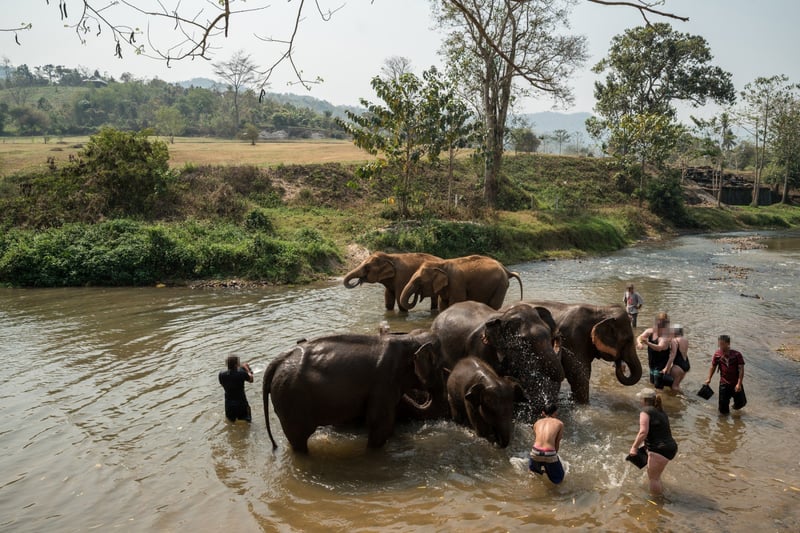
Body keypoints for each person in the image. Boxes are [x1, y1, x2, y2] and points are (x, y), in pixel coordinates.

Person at [629, 388, 678, 495]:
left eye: (640, 399)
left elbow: (643, 432)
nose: (639, 401)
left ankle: (656, 501)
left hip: (660, 449)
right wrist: (646, 446)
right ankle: (659, 491)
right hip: (670, 447)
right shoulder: (661, 411)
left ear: (644, 400)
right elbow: (659, 431)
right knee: (655, 476)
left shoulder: (645, 412)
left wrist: (634, 447)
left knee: (653, 479)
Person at [704, 334, 746, 415]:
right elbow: (713, 366)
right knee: (723, 409)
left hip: (735, 383)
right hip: (724, 384)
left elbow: (741, 369)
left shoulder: (737, 355)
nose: (720, 346)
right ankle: (723, 424)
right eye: (719, 344)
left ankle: (733, 410)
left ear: (728, 344)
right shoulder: (717, 354)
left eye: (722, 344)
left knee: (741, 403)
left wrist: (739, 384)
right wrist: (709, 378)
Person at [529, 403, 565, 484]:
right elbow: (557, 442)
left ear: (543, 413)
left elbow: (538, 439)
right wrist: (554, 457)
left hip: (535, 451)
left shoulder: (537, 423)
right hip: (550, 452)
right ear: (555, 413)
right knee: (560, 479)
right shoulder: (559, 423)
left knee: (534, 473)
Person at [637, 312, 672, 388]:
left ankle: (660, 398)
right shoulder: (650, 331)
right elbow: (640, 337)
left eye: (663, 324)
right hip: (652, 362)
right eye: (659, 323)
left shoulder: (665, 336)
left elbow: (659, 348)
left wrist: (647, 343)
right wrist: (639, 343)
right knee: (652, 382)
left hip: (661, 365)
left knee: (658, 386)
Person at [219, 355, 254, 422]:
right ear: (236, 365)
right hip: (241, 404)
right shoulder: (241, 373)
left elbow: (222, 385)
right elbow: (251, 380)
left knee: (231, 423)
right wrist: (247, 369)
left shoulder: (221, 374)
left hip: (229, 405)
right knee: (247, 423)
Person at [663, 324, 690, 393]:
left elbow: (672, 355)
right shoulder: (685, 340)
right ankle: (678, 399)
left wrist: (666, 367)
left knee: (674, 386)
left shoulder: (674, 341)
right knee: (677, 385)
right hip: (686, 364)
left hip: (678, 366)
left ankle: (685, 398)